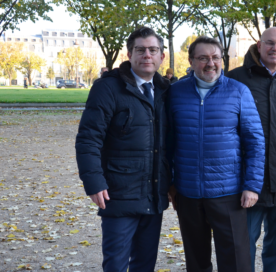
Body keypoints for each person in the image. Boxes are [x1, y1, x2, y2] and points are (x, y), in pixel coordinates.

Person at [75, 27, 171, 272]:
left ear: (162, 56)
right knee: (116, 264)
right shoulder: (107, 88)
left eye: (153, 50)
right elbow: (88, 139)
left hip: (153, 194)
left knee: (145, 264)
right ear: (130, 54)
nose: (147, 55)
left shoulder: (166, 91)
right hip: (118, 194)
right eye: (140, 50)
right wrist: (94, 182)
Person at [168, 36, 265, 272]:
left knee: (236, 261)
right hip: (188, 192)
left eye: (215, 57)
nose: (210, 63)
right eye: (203, 58)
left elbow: (255, 142)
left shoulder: (238, 92)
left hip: (228, 193)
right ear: (191, 61)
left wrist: (252, 185)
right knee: (197, 262)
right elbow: (167, 142)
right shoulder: (175, 93)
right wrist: (170, 182)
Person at [227, 27, 276, 272]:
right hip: (248, 176)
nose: (275, 48)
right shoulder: (236, 78)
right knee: (245, 240)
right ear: (259, 45)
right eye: (270, 43)